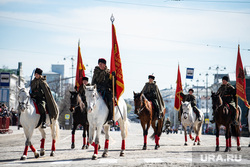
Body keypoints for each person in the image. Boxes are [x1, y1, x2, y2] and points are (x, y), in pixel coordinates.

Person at [91, 58, 113, 125]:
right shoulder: (96, 71)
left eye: (101, 64)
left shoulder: (109, 73)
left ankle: (110, 118)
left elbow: (111, 83)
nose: (100, 65)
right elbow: (93, 82)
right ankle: (88, 117)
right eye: (99, 64)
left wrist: (114, 77)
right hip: (97, 90)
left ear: (104, 64)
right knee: (89, 100)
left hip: (106, 90)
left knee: (110, 101)